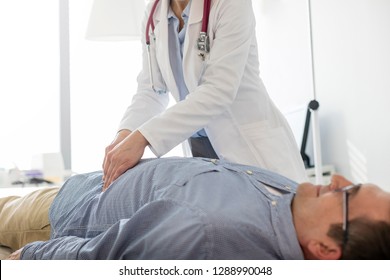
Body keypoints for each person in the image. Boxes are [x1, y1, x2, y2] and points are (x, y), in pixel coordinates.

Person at [1, 157, 389, 260]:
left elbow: (102, 259)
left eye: (348, 195)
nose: (338, 180)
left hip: (57, 217)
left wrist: (32, 258)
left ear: (325, 248)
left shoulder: (209, 234)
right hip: (85, 187)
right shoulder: (293, 198)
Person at [102, 0, 307, 190]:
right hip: (201, 153)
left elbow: (218, 90)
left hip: (251, 148)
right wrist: (123, 137)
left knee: (276, 222)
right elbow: (151, 90)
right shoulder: (153, 13)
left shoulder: (229, 3)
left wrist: (143, 137)